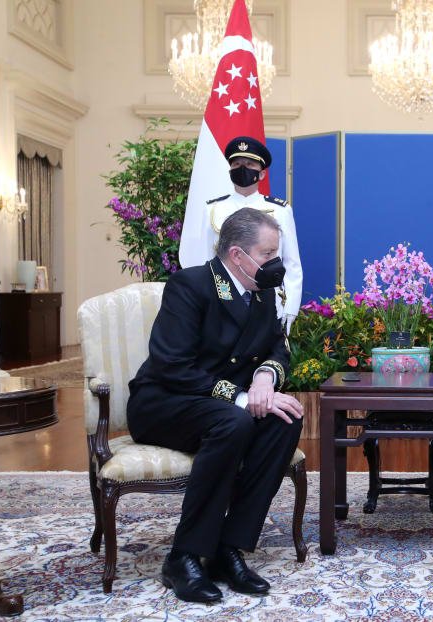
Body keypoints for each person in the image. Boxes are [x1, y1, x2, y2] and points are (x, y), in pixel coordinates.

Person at [127, 208, 304, 603]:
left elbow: (278, 345)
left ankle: (228, 548)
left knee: (285, 419)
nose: (276, 263)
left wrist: (265, 378)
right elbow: (173, 367)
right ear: (238, 255)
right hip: (165, 402)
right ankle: (184, 556)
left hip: (218, 407)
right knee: (235, 423)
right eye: (268, 253)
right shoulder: (190, 285)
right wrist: (241, 397)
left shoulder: (261, 292)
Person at [179, 136, 303, 334]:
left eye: (249, 164)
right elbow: (205, 259)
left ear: (261, 174)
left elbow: (291, 263)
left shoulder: (280, 210)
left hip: (268, 297)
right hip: (223, 298)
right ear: (230, 172)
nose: (242, 168)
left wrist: (290, 307)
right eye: (236, 164)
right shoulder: (213, 209)